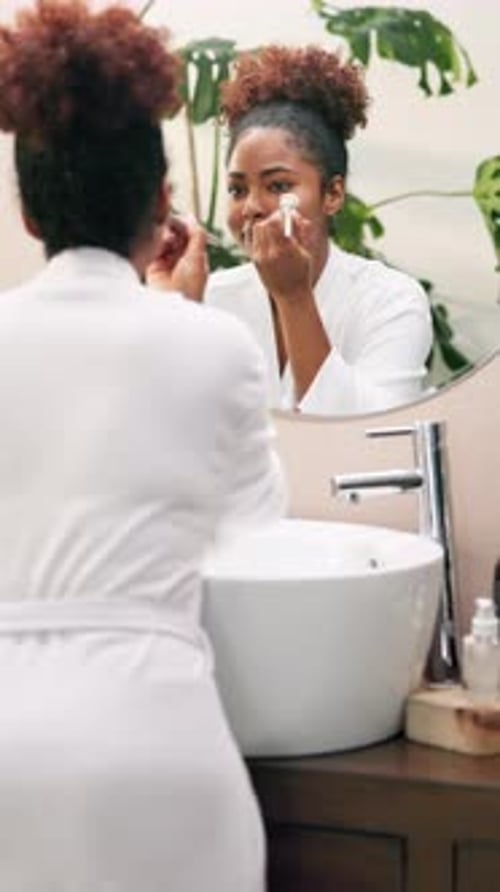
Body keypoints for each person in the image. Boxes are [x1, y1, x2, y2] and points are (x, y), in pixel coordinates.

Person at [0, 3, 285, 891]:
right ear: (164, 207)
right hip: (161, 757)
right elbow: (251, 528)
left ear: (30, 216)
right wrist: (176, 309)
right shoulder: (212, 345)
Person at [202, 44, 433, 415]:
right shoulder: (211, 300)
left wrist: (294, 298)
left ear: (333, 194)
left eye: (278, 186)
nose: (252, 207)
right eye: (237, 189)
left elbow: (367, 438)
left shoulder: (390, 300)